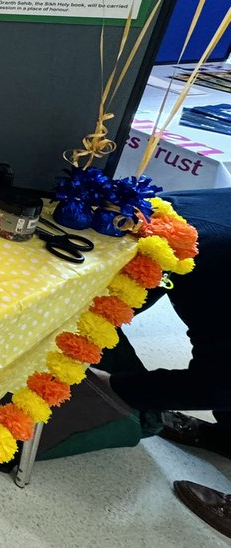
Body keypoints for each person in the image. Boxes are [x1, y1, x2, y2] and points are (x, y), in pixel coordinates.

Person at [96, 188, 231, 537]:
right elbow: (130, 298)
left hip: (211, 258)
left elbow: (218, 384)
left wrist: (115, 387)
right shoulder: (170, 222)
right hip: (208, 252)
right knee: (216, 338)